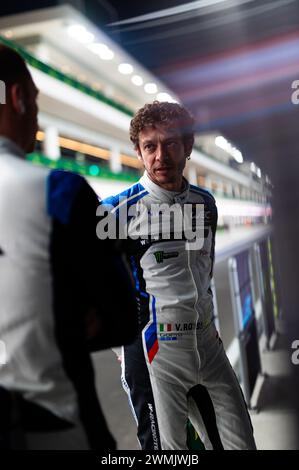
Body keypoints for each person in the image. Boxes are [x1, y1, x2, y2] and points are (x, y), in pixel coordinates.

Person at [0, 45, 137, 450]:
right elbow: (124, 319)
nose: (37, 118)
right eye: (36, 102)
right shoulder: (59, 191)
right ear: (18, 98)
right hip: (56, 425)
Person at [100, 101, 256, 450]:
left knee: (241, 444)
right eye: (150, 146)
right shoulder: (115, 211)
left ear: (187, 146)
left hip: (208, 346)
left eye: (171, 143)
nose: (161, 156)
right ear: (138, 152)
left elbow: (204, 269)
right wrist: (121, 346)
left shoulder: (206, 204)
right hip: (155, 350)